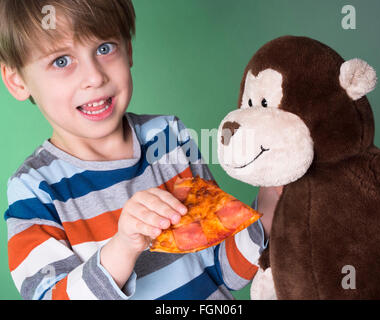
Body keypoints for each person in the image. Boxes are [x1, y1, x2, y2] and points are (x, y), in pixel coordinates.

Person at [1, 0, 280, 300]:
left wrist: (270, 201)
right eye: (61, 61)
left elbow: (223, 271)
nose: (94, 77)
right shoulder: (33, 190)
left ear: (129, 49)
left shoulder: (169, 137)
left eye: (105, 48)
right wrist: (123, 246)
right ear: (16, 81)